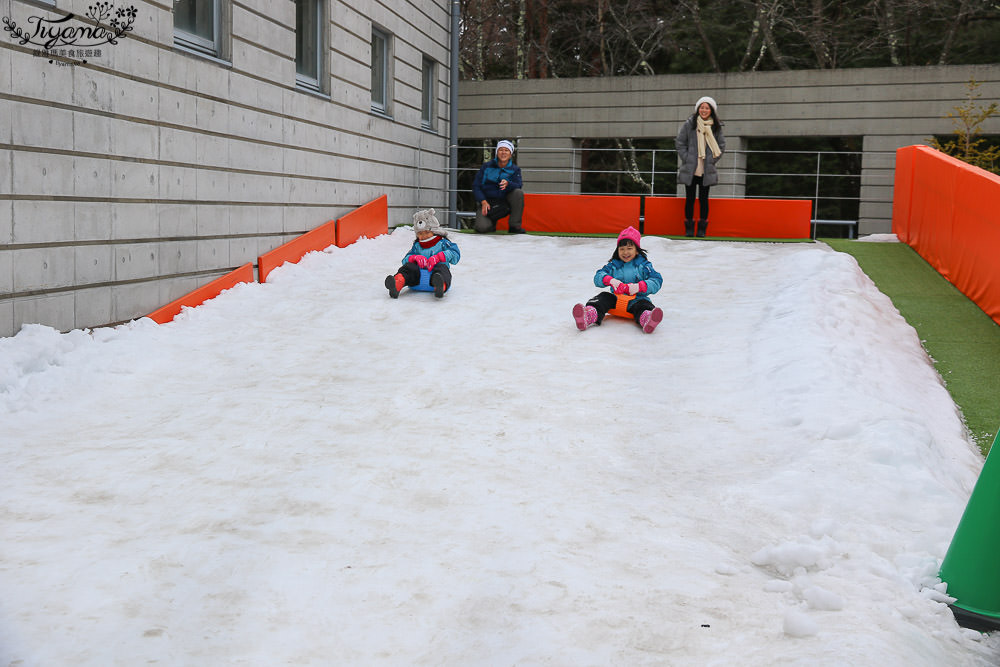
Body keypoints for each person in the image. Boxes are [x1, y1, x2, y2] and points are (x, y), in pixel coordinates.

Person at [572, 226, 664, 334]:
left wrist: (639, 286)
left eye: (629, 249)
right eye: (622, 249)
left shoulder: (644, 266)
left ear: (637, 251)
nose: (625, 252)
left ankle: (647, 319)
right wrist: (610, 280)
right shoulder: (614, 265)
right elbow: (598, 276)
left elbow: (657, 280)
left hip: (637, 299)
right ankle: (588, 315)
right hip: (615, 299)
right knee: (602, 297)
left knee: (644, 305)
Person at [676, 96, 726, 238]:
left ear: (711, 110)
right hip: (691, 168)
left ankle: (702, 229)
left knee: (704, 199)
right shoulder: (689, 124)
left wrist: (712, 160)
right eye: (702, 107)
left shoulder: (716, 127)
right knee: (690, 199)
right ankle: (689, 229)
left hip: (706, 168)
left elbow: (721, 146)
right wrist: (687, 158)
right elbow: (680, 143)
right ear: (698, 109)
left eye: (707, 108)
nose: (704, 110)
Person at [385, 208, 460, 299]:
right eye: (420, 233)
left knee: (442, 268)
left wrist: (440, 257)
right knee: (409, 267)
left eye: (427, 232)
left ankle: (440, 286)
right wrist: (414, 258)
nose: (423, 236)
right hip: (417, 277)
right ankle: (397, 283)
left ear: (434, 231)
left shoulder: (442, 242)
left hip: (435, 275)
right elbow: (405, 260)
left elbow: (455, 254)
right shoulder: (417, 245)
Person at [472, 139, 526, 234]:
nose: (503, 153)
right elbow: (476, 186)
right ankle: (491, 224)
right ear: (497, 152)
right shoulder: (486, 167)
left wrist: (508, 184)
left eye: (506, 150)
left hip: (505, 203)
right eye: (501, 150)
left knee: (518, 193)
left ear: (510, 153)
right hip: (488, 203)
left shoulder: (515, 169)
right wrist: (483, 201)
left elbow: (519, 185)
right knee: (481, 228)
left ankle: (514, 225)